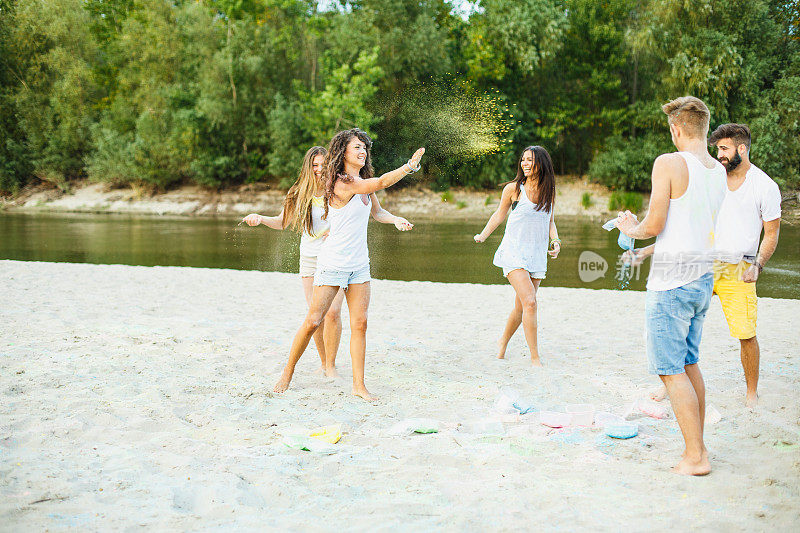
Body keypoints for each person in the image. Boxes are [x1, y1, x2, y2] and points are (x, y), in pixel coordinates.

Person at [616, 96, 726, 476]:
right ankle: (699, 448)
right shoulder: (718, 172)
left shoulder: (669, 162)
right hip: (701, 279)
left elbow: (655, 224)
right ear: (705, 128)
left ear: (676, 129)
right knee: (689, 362)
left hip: (672, 284)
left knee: (669, 369)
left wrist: (629, 227)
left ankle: (695, 457)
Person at [274, 128, 424, 401]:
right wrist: (408, 167)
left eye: (364, 147)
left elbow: (377, 212)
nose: (363, 151)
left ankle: (358, 386)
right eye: (357, 147)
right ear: (343, 152)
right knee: (313, 320)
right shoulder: (342, 184)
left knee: (361, 323)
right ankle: (287, 372)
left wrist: (396, 220)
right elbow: (380, 183)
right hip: (332, 263)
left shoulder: (362, 180)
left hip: (359, 265)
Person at [638, 123, 782, 408]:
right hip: (699, 262)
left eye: (725, 149)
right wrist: (649, 250)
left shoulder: (765, 186)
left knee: (746, 333)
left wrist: (758, 265)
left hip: (737, 269)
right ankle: (671, 384)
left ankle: (751, 391)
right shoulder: (712, 177)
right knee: (678, 326)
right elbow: (685, 222)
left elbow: (772, 234)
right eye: (717, 149)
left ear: (742, 149)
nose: (720, 155)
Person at [243, 147, 345, 378]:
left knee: (334, 312)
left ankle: (331, 365)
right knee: (315, 315)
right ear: (308, 167)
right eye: (315, 165)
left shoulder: (338, 189)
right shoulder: (298, 192)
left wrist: (337, 232)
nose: (319, 170)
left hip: (335, 256)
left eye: (323, 164)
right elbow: (281, 223)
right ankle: (323, 362)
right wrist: (260, 219)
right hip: (310, 258)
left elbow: (352, 218)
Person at [474, 146, 560, 365]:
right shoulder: (514, 189)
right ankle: (535, 358)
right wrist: (483, 235)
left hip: (536, 255)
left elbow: (550, 221)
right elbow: (500, 213)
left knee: (521, 307)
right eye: (523, 160)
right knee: (531, 302)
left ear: (541, 163)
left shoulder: (549, 191)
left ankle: (502, 341)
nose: (525, 163)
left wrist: (556, 241)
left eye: (530, 160)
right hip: (514, 252)